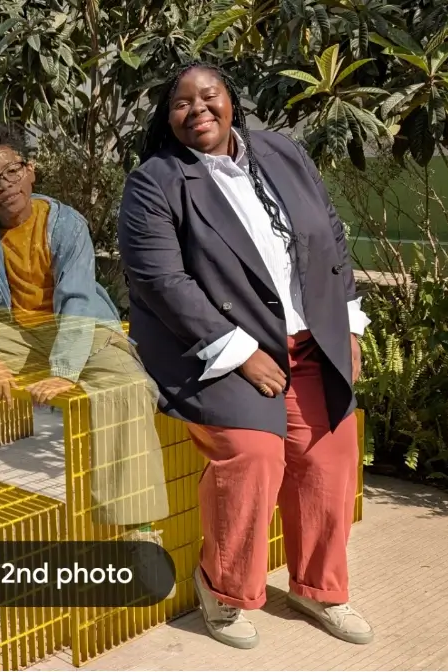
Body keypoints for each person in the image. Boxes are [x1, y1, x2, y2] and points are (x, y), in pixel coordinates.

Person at [117, 62, 374, 649]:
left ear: (231, 100)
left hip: (309, 340)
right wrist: (239, 351)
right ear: (168, 117)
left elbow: (331, 236)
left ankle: (318, 588)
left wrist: (348, 323)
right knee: (254, 455)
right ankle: (223, 588)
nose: (197, 109)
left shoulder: (283, 153)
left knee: (331, 453)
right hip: (213, 348)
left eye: (209, 95)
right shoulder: (157, 182)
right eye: (181, 103)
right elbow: (161, 280)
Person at [0, 123, 170, 562]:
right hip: (18, 332)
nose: (4, 187)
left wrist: (65, 371)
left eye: (11, 172)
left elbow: (77, 301)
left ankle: (138, 526)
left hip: (83, 328)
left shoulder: (67, 224)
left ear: (30, 170)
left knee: (127, 386)